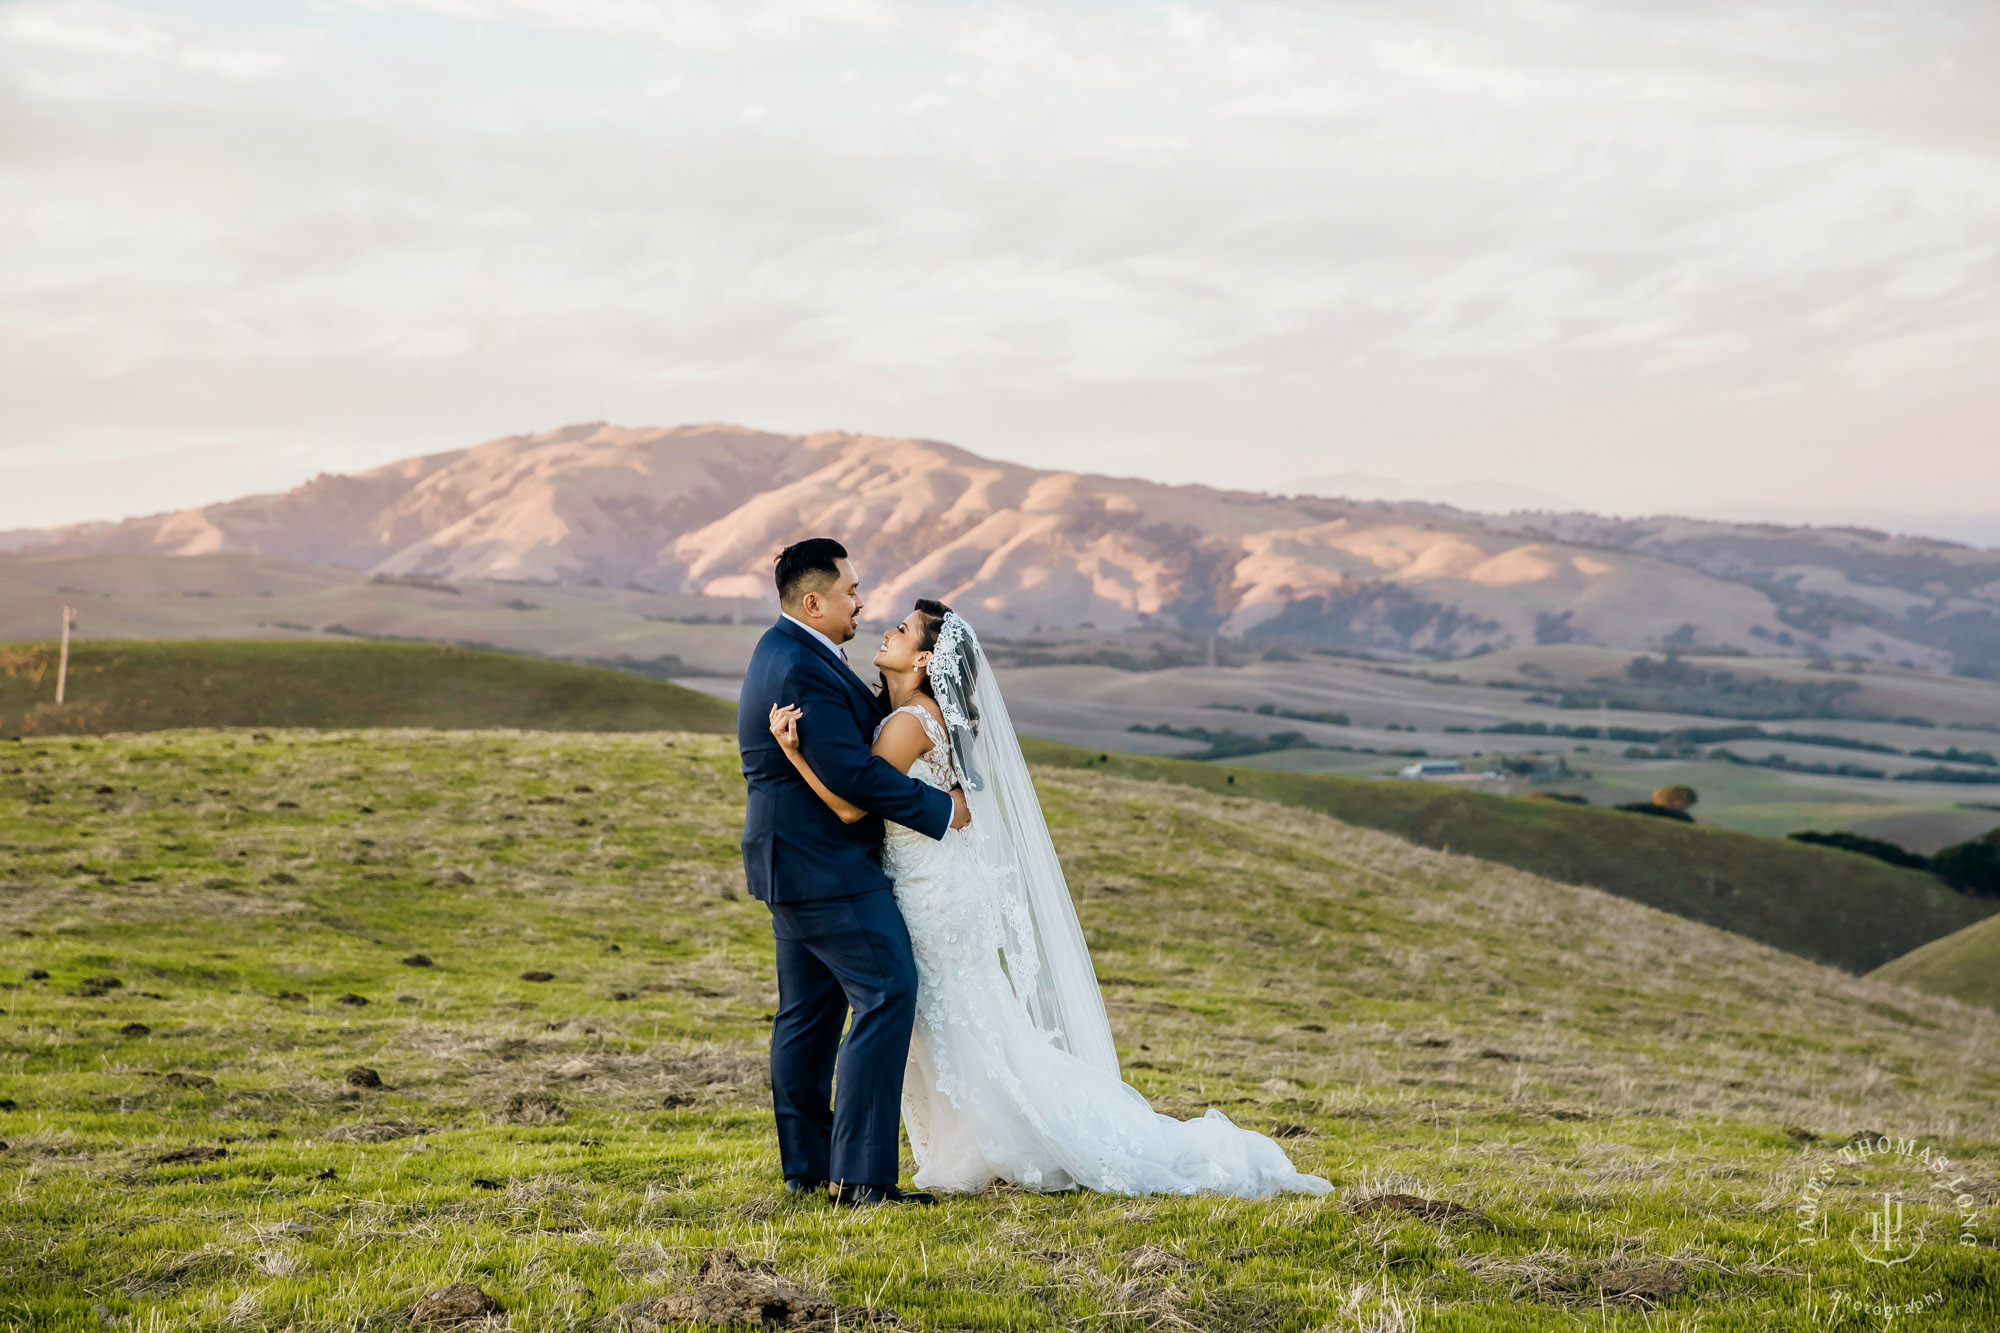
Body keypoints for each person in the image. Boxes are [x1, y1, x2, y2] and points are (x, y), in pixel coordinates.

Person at [769, 599, 1331, 1199]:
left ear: (925, 658)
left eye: (903, 630)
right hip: (935, 888)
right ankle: (957, 1148)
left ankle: (992, 1145)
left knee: (953, 1021)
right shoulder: (916, 715)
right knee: (962, 1022)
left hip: (928, 895)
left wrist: (794, 752)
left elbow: (854, 804)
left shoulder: (909, 724)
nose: (888, 629)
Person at [737, 538, 970, 1207]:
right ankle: (863, 1178)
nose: (863, 602)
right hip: (826, 865)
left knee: (809, 1015)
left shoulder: (789, 650)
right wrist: (941, 808)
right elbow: (853, 776)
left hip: (797, 864)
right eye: (852, 590)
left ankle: (809, 1167)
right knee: (889, 989)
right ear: (814, 600)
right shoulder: (800, 666)